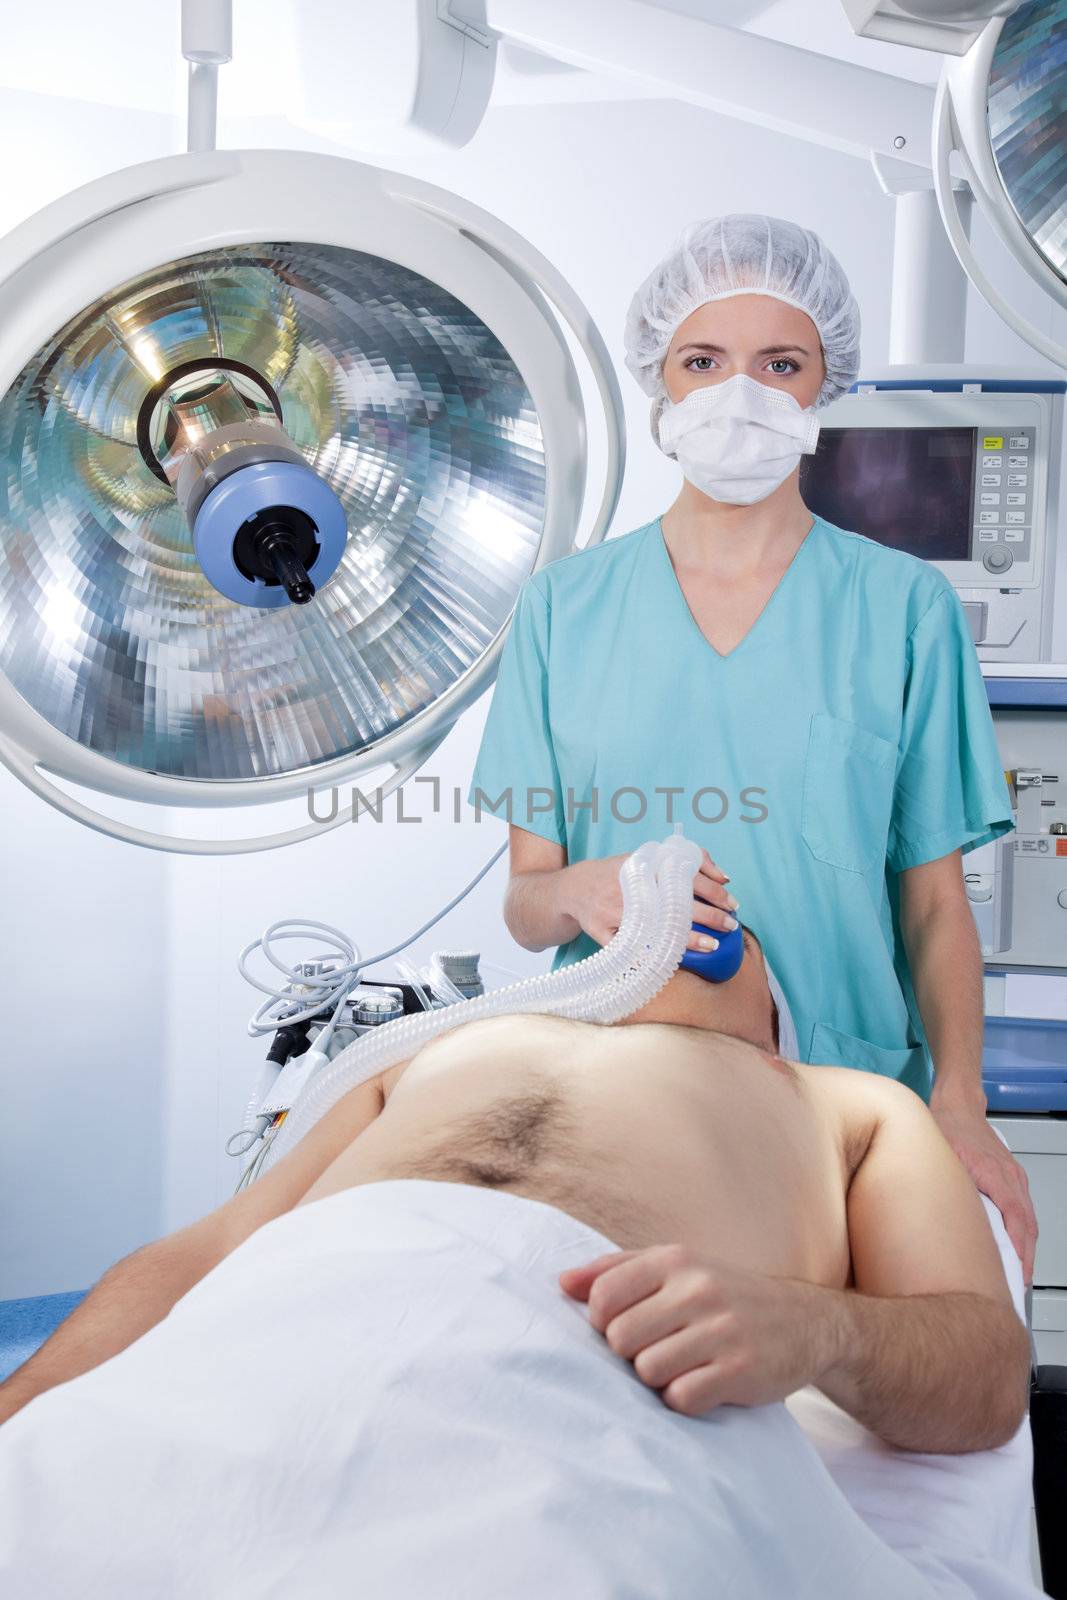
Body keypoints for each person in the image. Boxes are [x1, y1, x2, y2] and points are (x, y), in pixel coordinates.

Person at [0, 966, 1033, 1598]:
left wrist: (816, 1331)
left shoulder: (842, 1104)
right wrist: (26, 1412)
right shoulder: (433, 1048)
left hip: (587, 1373)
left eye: (731, 915)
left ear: (773, 1010)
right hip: (279, 1331)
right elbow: (204, 1250)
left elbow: (982, 1375)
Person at [465, 212, 1037, 1283]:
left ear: (822, 386)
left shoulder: (902, 608)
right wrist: (581, 889)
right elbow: (523, 900)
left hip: (846, 1100)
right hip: (621, 1088)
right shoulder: (563, 609)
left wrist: (956, 1104)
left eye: (780, 363)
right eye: (702, 361)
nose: (740, 394)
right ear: (660, 387)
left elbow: (931, 901)